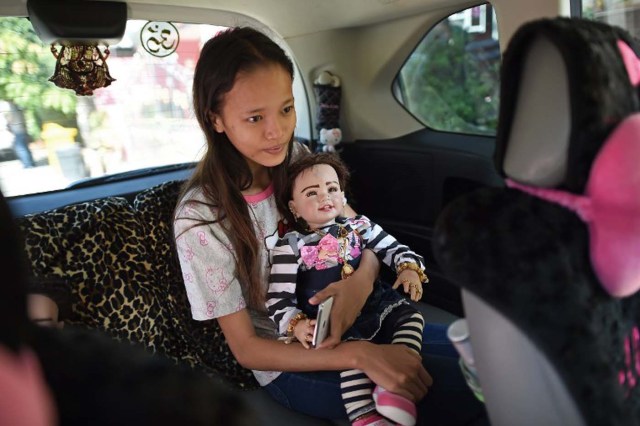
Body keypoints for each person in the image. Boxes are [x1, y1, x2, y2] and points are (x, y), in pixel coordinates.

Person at [174, 26, 487, 426]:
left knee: (493, 361)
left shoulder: (298, 159)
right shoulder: (202, 217)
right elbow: (248, 349)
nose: (277, 131)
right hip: (293, 360)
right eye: (255, 117)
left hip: (366, 317)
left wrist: (360, 283)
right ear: (215, 119)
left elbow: (360, 234)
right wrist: (358, 355)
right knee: (473, 389)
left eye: (287, 109)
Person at [266, 152, 429, 426]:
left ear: (342, 196)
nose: (325, 197)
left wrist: (408, 267)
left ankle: (395, 383)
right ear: (294, 208)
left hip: (374, 301)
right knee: (350, 366)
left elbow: (392, 247)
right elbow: (278, 298)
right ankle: (365, 417)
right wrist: (296, 325)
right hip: (331, 318)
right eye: (312, 193)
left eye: (331, 189)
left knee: (412, 318)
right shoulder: (290, 245)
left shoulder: (359, 226)